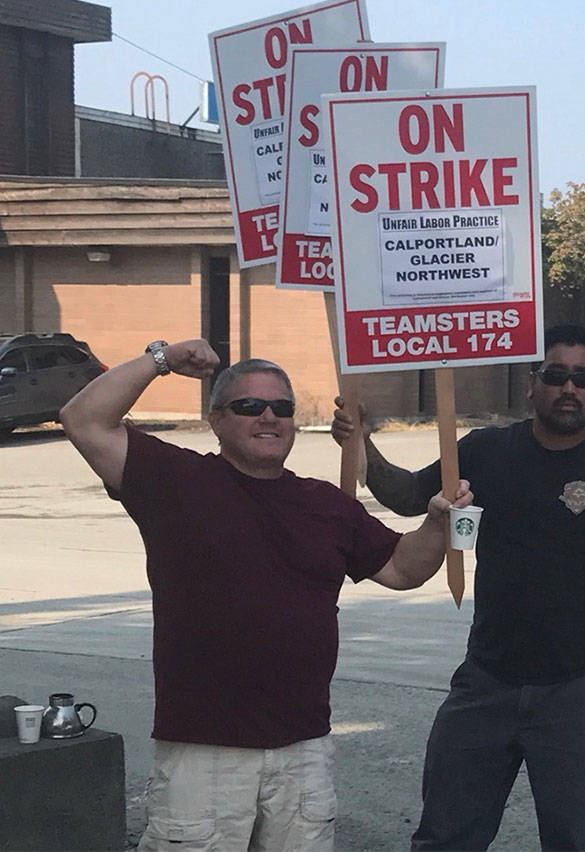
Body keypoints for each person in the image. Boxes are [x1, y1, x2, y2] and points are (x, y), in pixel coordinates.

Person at [58, 338, 467, 851]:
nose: (268, 417)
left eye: (283, 407)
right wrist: (161, 360)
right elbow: (82, 419)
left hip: (303, 750)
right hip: (204, 752)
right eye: (249, 406)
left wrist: (435, 523)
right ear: (216, 419)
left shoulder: (325, 504)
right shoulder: (176, 480)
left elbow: (403, 569)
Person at [330, 323, 585, 852]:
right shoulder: (484, 452)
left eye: (583, 377)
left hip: (577, 692)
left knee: (580, 843)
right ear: (533, 384)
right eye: (556, 375)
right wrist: (361, 441)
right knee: (444, 839)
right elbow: (409, 495)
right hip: (487, 683)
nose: (569, 388)